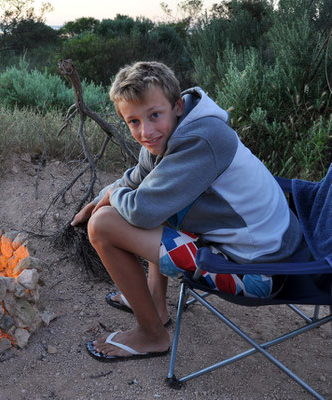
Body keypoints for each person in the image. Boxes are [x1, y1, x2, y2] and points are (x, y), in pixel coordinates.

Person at [71, 61, 308, 361]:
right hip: (262, 248)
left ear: (178, 105)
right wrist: (105, 194)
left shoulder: (201, 140)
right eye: (133, 121)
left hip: (257, 272)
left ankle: (152, 335)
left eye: (154, 115)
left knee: (103, 225)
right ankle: (155, 304)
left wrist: (111, 197)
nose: (146, 131)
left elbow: (142, 211)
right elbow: (138, 178)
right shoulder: (173, 132)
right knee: (152, 199)